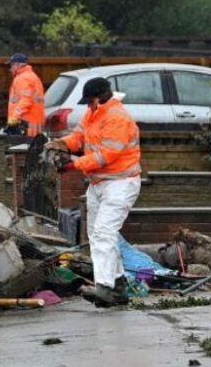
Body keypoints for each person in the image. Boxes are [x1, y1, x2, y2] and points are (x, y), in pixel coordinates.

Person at [47, 77, 141, 307]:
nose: (88, 105)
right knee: (99, 236)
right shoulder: (93, 114)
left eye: (90, 101)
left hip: (120, 183)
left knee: (103, 234)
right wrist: (61, 144)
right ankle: (117, 288)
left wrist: (72, 163)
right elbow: (78, 137)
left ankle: (106, 287)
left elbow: (105, 157)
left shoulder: (117, 118)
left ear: (99, 98)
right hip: (99, 183)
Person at [6, 53, 45, 137]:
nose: (10, 69)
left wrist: (14, 118)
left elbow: (26, 101)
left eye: (11, 66)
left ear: (17, 65)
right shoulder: (32, 76)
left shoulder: (23, 78)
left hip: (25, 125)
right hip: (32, 124)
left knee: (23, 148)